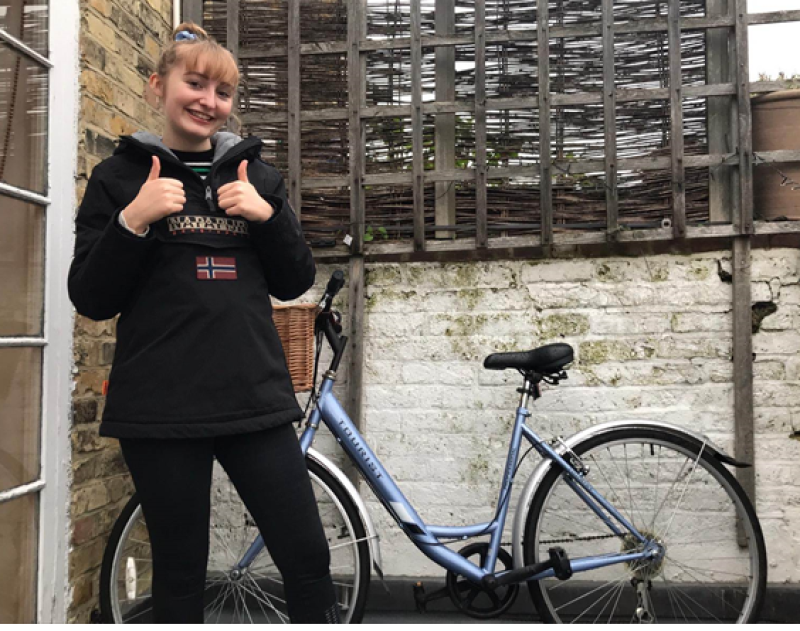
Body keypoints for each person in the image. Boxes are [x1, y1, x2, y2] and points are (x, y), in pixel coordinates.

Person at [68, 22, 340, 624]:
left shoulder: (256, 178)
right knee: (181, 571)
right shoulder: (118, 180)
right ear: (157, 86)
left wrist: (269, 219)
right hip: (160, 408)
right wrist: (132, 222)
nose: (207, 102)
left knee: (307, 556)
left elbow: (295, 281)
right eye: (194, 84)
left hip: (253, 399)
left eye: (222, 93)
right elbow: (90, 296)